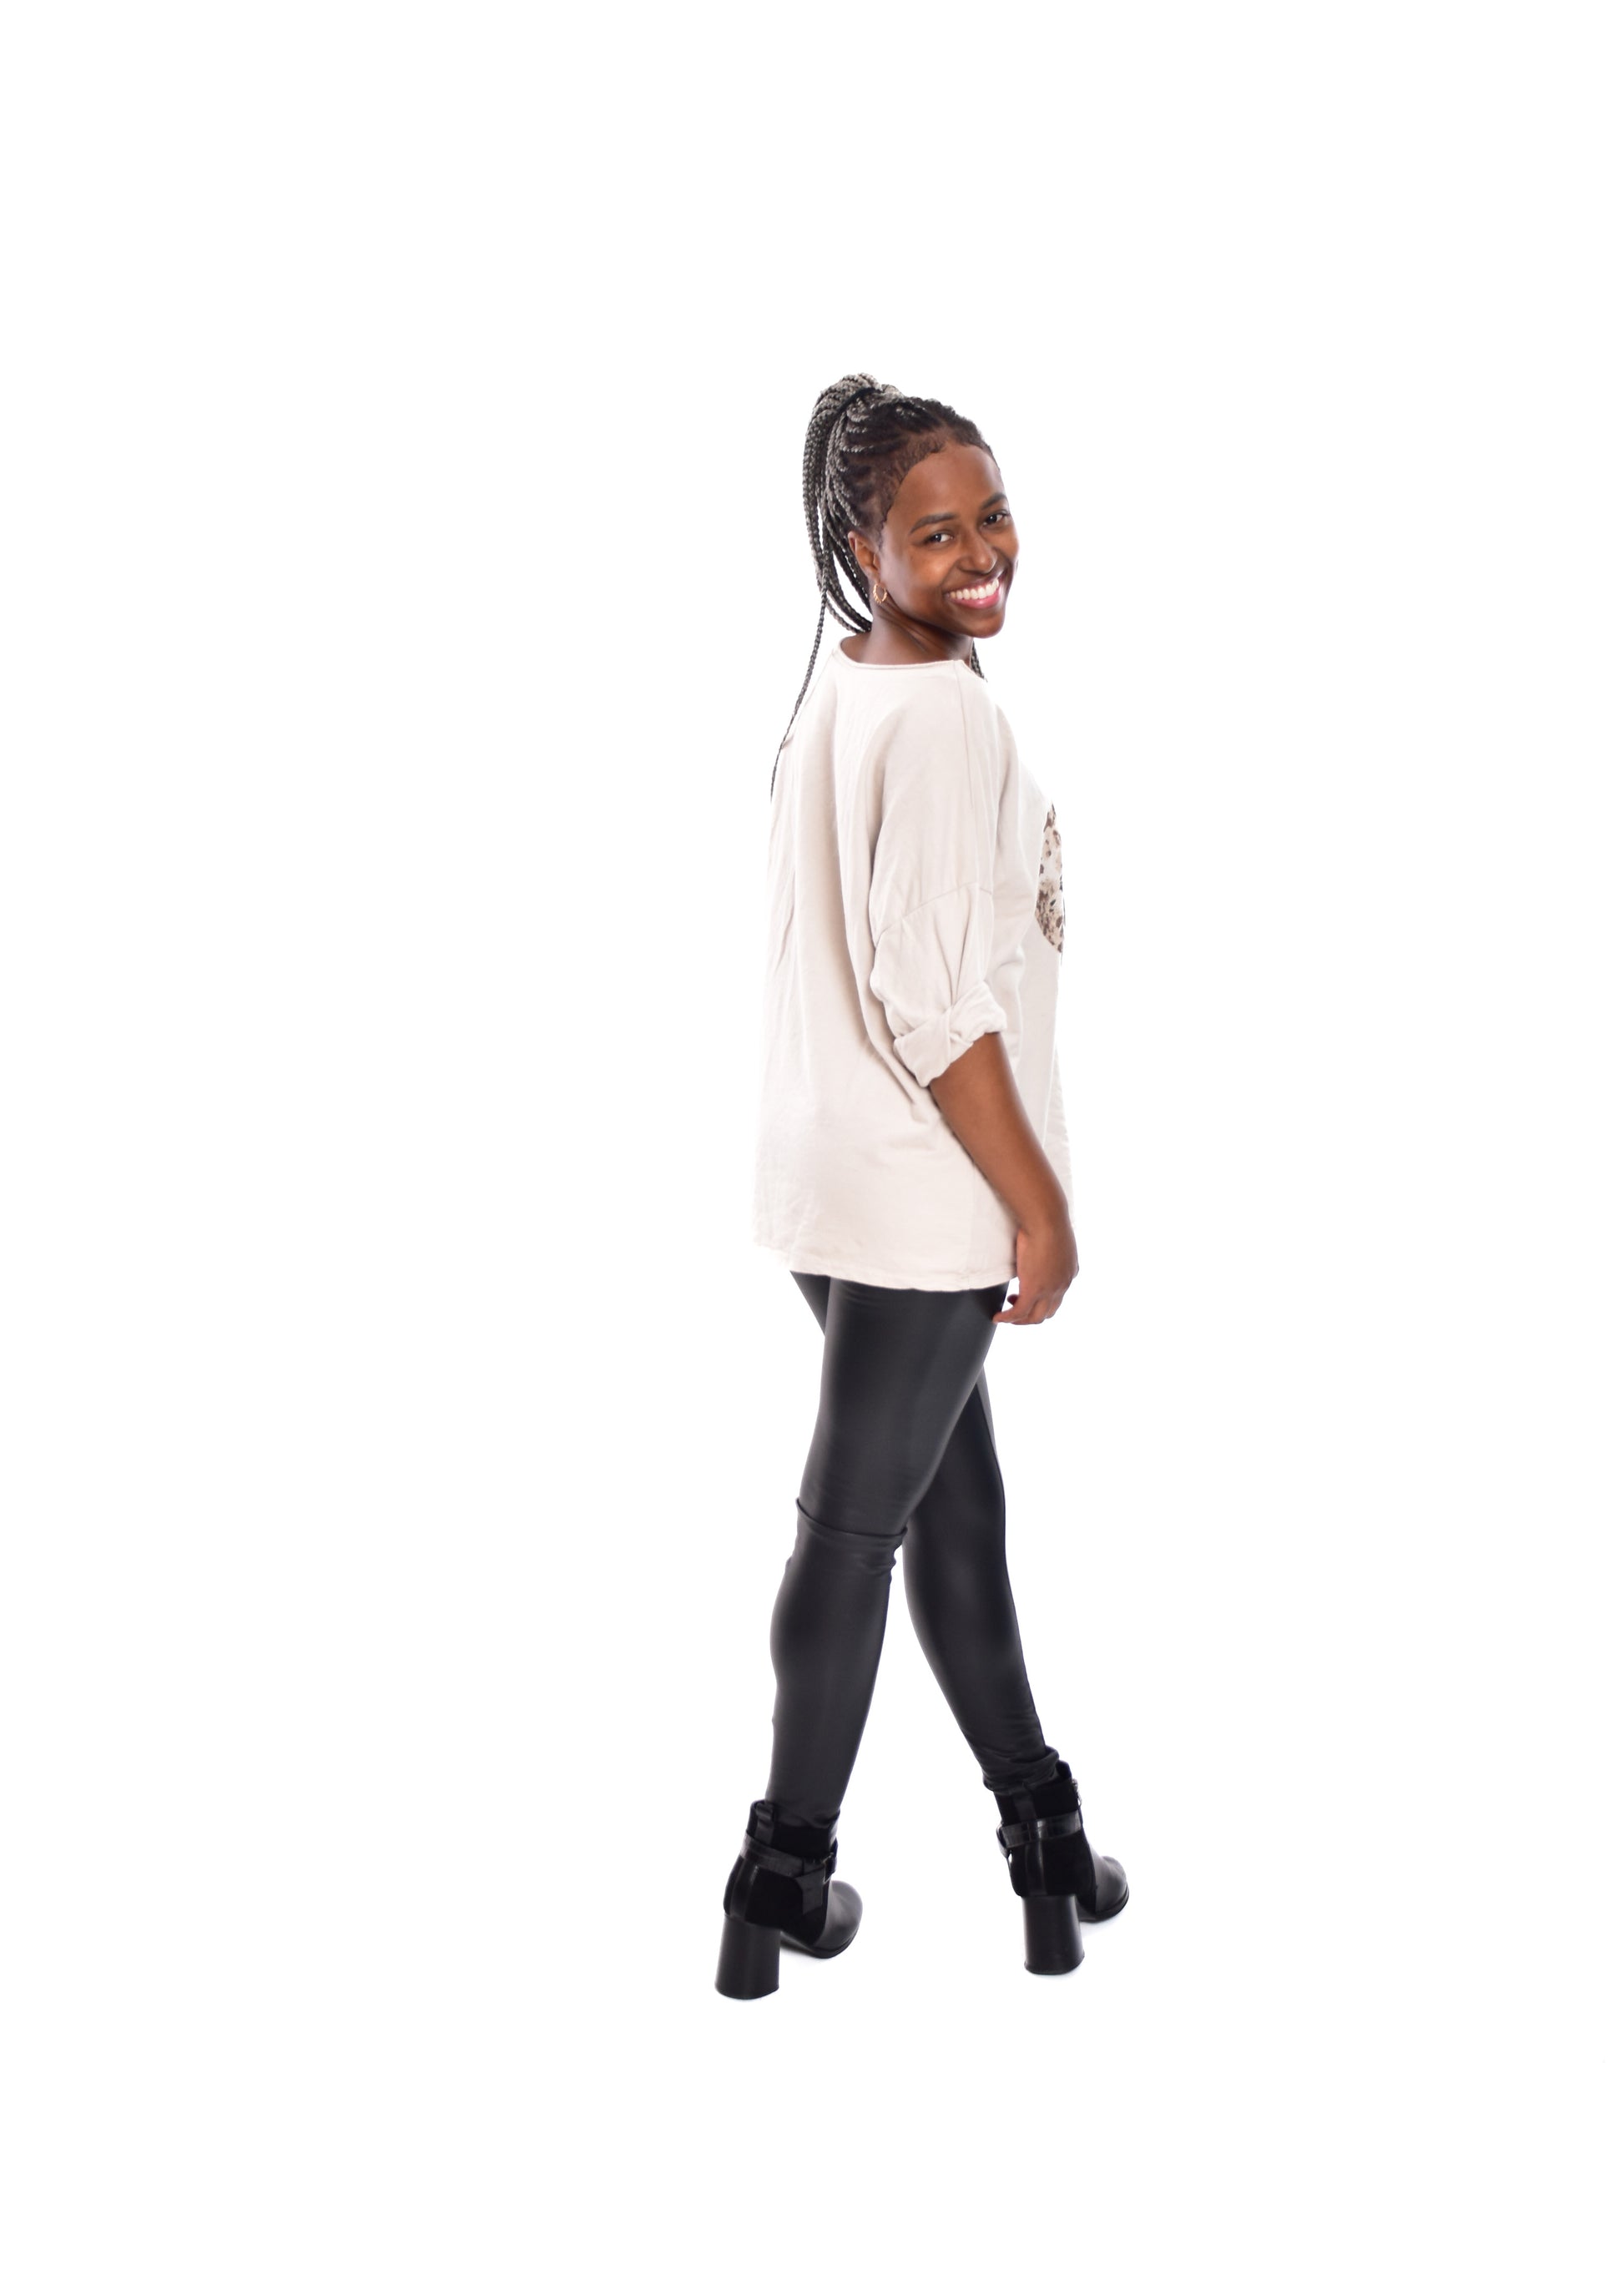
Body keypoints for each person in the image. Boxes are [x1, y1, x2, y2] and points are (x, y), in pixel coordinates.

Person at [714, 375, 1129, 2000]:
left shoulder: (848, 683)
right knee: (851, 1531)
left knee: (957, 1514)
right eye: (936, 533)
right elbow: (938, 1009)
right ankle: (776, 1879)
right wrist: (1042, 1206)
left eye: (993, 517)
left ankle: (1047, 1845)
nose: (981, 556)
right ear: (860, 548)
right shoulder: (945, 718)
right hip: (919, 1197)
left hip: (826, 1182)